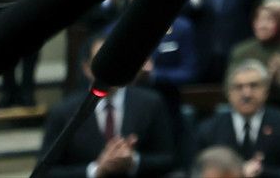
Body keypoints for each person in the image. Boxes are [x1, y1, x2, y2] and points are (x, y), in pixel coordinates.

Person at [39, 35, 177, 177]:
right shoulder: (64, 112)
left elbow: (168, 159)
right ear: (86, 68)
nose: (112, 68)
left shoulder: (151, 103)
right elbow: (46, 171)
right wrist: (95, 170)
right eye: (103, 62)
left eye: (118, 61)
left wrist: (134, 160)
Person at [195, 60, 280, 178]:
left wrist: (263, 172)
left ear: (266, 90)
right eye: (238, 87)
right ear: (228, 93)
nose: (246, 94)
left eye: (254, 86)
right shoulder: (208, 130)